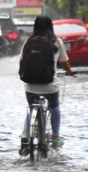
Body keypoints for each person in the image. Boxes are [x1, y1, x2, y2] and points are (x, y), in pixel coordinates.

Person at [19, 15, 75, 153]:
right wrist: (71, 71)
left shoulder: (28, 42)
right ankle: (55, 137)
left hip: (30, 84)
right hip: (50, 85)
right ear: (51, 26)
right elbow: (64, 62)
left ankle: (26, 134)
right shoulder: (56, 42)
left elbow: (21, 62)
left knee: (31, 107)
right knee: (54, 106)